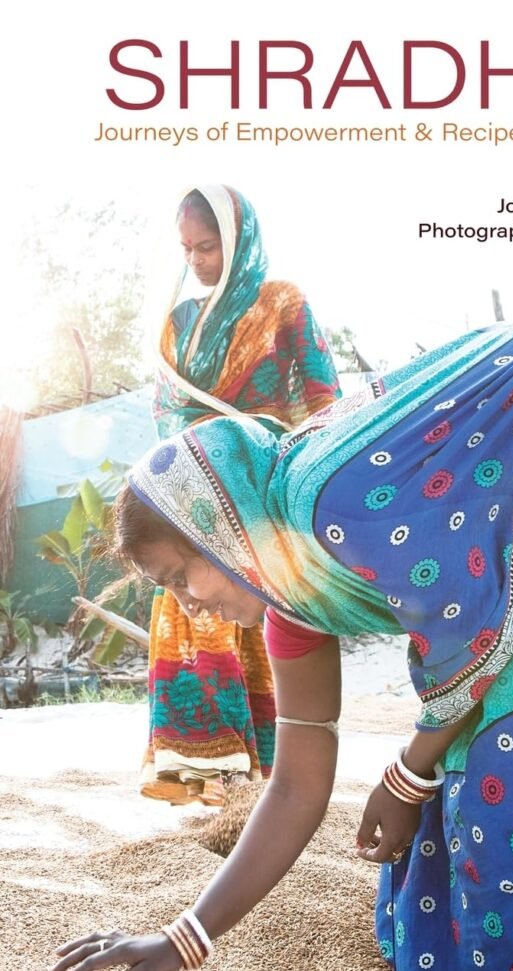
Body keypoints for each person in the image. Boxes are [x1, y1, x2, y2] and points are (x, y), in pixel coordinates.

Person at [51, 306, 513, 971]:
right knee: (461, 736)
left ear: (219, 525)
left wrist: (408, 773)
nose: (194, 607)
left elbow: (479, 642)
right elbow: (298, 779)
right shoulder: (289, 595)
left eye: (183, 576)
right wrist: (187, 935)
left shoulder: (322, 502)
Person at [141, 183, 341, 806]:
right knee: (188, 604)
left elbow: (322, 399)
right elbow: (164, 409)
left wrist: (304, 478)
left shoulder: (282, 303)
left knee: (255, 613)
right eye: (188, 249)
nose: (198, 261)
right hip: (186, 492)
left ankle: (261, 776)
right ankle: (200, 768)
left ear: (238, 239)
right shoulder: (178, 322)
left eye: (208, 246)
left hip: (257, 492)